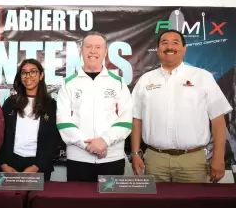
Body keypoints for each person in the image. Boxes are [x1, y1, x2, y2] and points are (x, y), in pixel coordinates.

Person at [131, 29, 232, 183]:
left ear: (184, 49)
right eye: (164, 43)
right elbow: (136, 119)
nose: (169, 47)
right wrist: (136, 154)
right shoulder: (146, 80)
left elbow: (218, 119)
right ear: (158, 50)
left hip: (193, 161)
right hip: (154, 160)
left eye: (175, 43)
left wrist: (218, 157)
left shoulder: (202, 77)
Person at [56, 31, 133, 182]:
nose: (93, 51)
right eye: (88, 47)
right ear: (81, 51)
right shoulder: (68, 83)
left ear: (105, 52)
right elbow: (63, 121)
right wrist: (88, 146)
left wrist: (104, 141)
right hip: (78, 159)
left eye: (98, 47)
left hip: (111, 157)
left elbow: (126, 120)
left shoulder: (118, 82)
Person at [0, 59, 59, 181]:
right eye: (24, 72)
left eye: (33, 72)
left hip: (39, 166)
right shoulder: (10, 103)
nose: (28, 76)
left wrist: (37, 166)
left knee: (38, 200)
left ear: (41, 75)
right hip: (11, 165)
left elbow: (54, 139)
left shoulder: (51, 105)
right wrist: (3, 164)